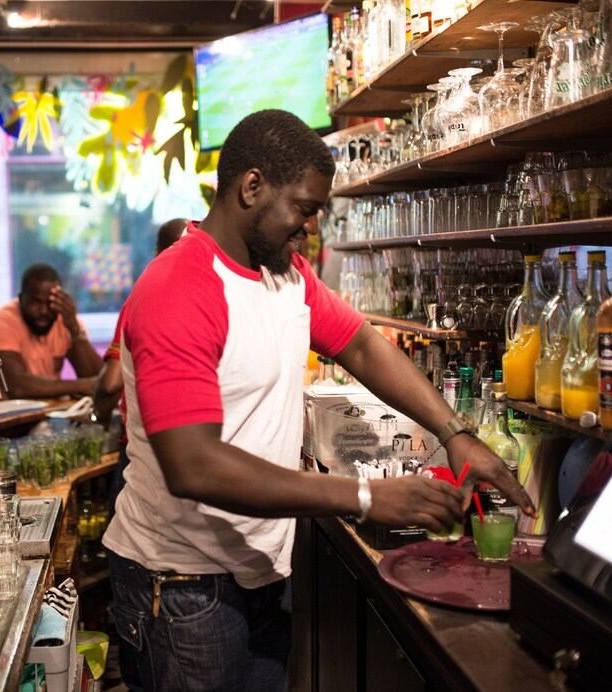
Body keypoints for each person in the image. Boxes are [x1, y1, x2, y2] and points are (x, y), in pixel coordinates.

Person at [102, 110, 534, 691]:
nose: (307, 227)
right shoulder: (179, 289)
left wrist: (457, 435)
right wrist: (362, 496)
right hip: (181, 591)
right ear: (251, 187)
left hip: (255, 578)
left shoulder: (287, 276)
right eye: (303, 209)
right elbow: (193, 464)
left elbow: (359, 344)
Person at [93, 218, 186, 692]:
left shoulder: (143, 296)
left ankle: (120, 651)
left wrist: (98, 414)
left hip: (137, 459)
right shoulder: (159, 296)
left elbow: (107, 386)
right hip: (149, 471)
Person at [92, 218, 188, 427]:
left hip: (148, 439)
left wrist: (96, 417)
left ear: (157, 254)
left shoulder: (143, 300)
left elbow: (111, 384)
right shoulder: (213, 301)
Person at [0, 263, 103, 402]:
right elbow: (17, 386)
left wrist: (74, 329)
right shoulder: (1, 322)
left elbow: (99, 383)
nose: (44, 311)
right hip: (0, 420)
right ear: (21, 298)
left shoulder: (66, 320)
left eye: (50, 302)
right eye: (36, 302)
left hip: (45, 416)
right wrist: (80, 386)